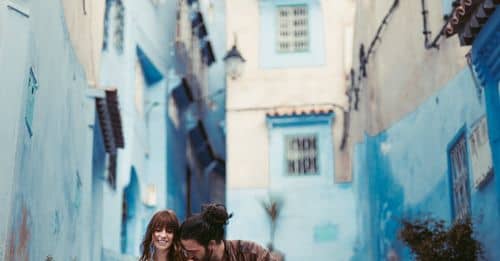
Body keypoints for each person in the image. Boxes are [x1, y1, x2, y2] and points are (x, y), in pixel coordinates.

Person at [179, 203, 276, 261]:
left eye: (192, 252)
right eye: (186, 252)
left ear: (211, 244)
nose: (189, 256)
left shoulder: (249, 252)